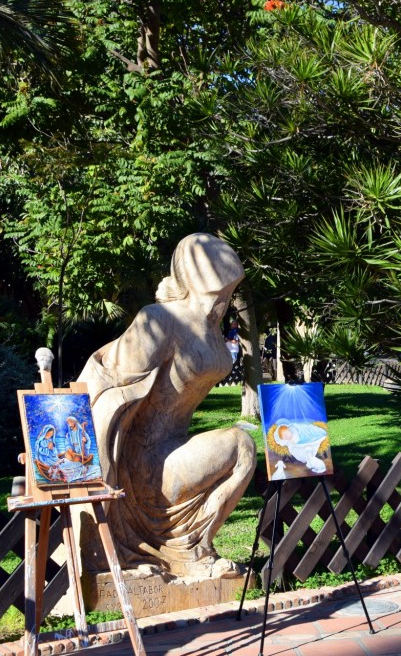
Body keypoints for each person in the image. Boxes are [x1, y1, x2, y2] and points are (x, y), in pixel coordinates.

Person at [79, 233, 257, 578]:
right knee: (241, 444)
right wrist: (102, 472)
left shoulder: (212, 331)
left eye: (231, 290)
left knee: (243, 448)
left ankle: (191, 549)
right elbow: (111, 388)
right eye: (223, 289)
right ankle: (190, 550)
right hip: (143, 467)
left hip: (173, 448)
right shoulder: (159, 320)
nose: (226, 298)